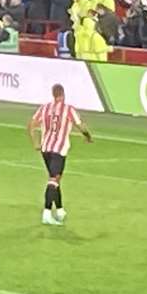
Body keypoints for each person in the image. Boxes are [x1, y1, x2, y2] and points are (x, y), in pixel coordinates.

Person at [27, 83, 93, 227]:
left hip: (46, 149)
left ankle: (60, 209)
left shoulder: (44, 108)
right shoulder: (68, 109)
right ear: (63, 94)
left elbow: (31, 124)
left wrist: (35, 143)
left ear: (53, 94)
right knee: (54, 180)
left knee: (56, 178)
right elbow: (80, 124)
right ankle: (46, 213)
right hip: (58, 150)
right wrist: (87, 135)